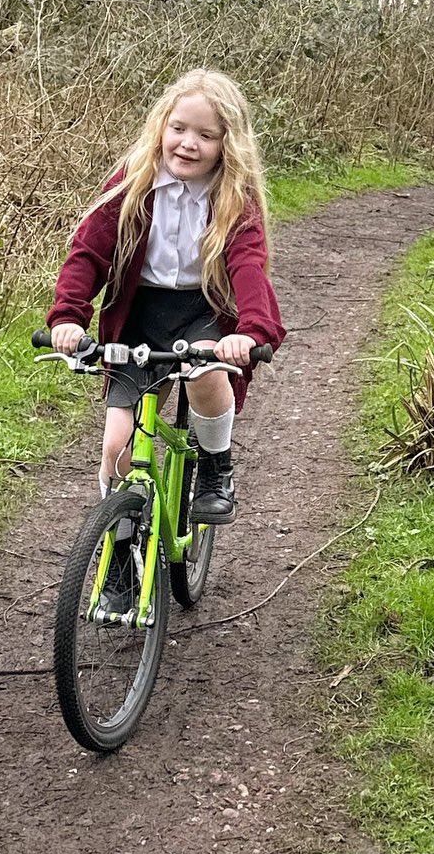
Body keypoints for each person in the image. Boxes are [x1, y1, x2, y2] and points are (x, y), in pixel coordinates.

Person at [46, 68, 285, 528]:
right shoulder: (132, 182)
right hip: (140, 314)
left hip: (203, 311)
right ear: (162, 126)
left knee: (207, 373)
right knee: (117, 447)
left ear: (227, 144)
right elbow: (88, 254)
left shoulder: (234, 198)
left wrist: (250, 332)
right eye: (178, 129)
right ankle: (118, 555)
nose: (188, 144)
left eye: (205, 135)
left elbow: (248, 268)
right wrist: (68, 317)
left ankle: (216, 468)